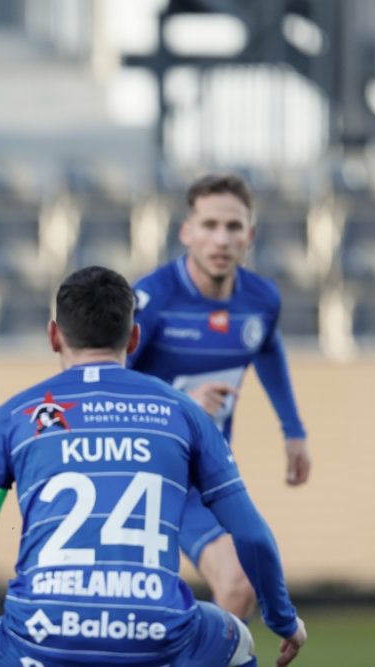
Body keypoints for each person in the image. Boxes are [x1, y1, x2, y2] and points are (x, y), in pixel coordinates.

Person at [0, 265, 307, 667]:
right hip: (156, 634)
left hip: (44, 635)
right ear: (133, 338)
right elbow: (253, 536)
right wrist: (283, 619)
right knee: (237, 642)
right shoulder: (184, 412)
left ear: (53, 336)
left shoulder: (15, 417)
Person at [128, 173, 312, 620]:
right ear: (186, 232)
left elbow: (266, 345)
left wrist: (293, 429)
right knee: (134, 613)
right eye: (209, 225)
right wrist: (181, 399)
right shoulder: (153, 300)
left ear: (249, 236)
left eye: (233, 227)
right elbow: (107, 381)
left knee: (238, 586)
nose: (221, 238)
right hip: (137, 471)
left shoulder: (261, 300)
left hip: (200, 477)